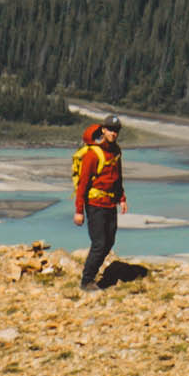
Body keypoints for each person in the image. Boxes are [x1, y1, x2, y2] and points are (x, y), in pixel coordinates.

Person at [69, 117, 127, 286]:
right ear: (103, 130)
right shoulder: (92, 155)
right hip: (95, 205)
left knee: (109, 241)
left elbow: (118, 178)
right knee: (99, 243)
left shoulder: (116, 152)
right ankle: (86, 281)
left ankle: (91, 274)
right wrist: (79, 211)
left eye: (116, 130)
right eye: (110, 130)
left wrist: (121, 199)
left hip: (110, 204)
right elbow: (83, 184)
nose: (113, 133)